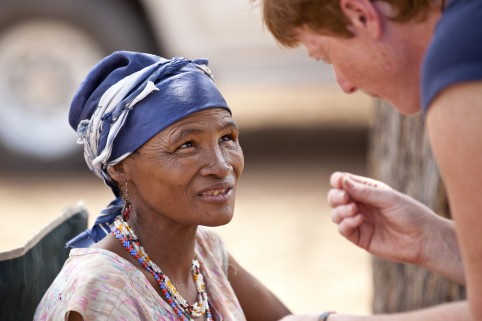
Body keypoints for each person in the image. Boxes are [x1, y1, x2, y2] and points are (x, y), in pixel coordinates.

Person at [259, 0, 482, 320]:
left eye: (326, 56)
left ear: (360, 14)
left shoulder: (458, 64)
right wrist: (433, 239)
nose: (344, 85)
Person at [33, 51, 291, 321]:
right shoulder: (105, 294)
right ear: (119, 167)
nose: (221, 166)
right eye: (187, 145)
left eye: (227, 138)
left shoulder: (203, 252)